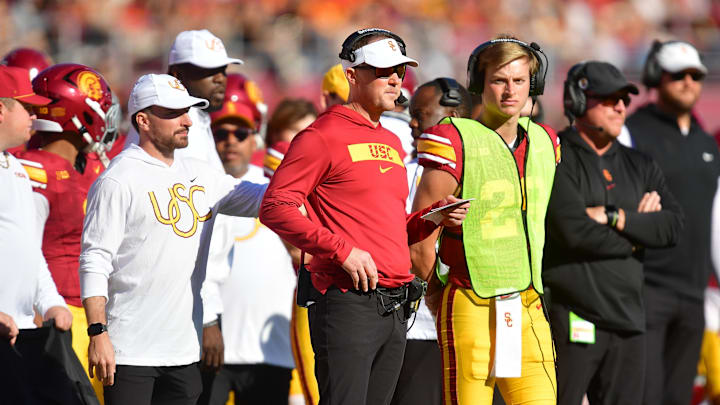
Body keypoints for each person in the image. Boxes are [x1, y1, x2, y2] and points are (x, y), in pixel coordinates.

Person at [259, 28, 468, 405]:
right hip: (346, 300)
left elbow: (389, 226)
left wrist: (431, 218)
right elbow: (275, 206)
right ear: (351, 76)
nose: (394, 79)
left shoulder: (390, 141)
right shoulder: (321, 136)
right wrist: (341, 250)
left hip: (394, 303)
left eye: (400, 72)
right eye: (383, 70)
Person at [78, 73, 267, 405]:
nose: (187, 120)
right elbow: (94, 260)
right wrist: (98, 333)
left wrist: (311, 172)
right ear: (143, 121)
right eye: (174, 112)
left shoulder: (201, 173)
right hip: (130, 351)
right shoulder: (118, 179)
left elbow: (261, 200)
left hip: (183, 351)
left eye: (188, 111)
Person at [410, 36, 560, 404]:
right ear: (479, 83)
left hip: (527, 304)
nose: (510, 91)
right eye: (499, 80)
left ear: (533, 86)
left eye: (520, 81)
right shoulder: (454, 139)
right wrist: (436, 293)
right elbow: (418, 233)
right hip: (469, 301)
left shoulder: (545, 143)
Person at [543, 61, 683, 405]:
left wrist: (614, 216)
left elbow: (672, 227)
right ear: (577, 101)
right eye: (608, 98)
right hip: (571, 317)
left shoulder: (641, 164)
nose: (621, 106)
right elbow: (573, 232)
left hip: (629, 321)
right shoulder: (554, 156)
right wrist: (639, 233)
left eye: (624, 98)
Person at [624, 40, 720, 405]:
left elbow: (715, 218)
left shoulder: (703, 142)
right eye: (677, 75)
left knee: (679, 397)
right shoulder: (633, 132)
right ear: (656, 77)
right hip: (647, 289)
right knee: (645, 396)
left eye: (695, 75)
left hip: (693, 293)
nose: (688, 82)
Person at [13, 63, 115, 402]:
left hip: (96, 313)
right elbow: (26, 248)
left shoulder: (91, 166)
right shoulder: (35, 170)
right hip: (60, 314)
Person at [199, 82, 297, 405]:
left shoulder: (275, 183)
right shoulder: (194, 186)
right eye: (220, 133)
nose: (230, 142)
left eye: (240, 134)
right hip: (207, 346)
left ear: (256, 135)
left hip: (270, 351)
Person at [392, 77, 473, 405]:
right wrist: (442, 307)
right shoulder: (409, 170)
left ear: (452, 116)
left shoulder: (480, 162)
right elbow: (418, 249)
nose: (411, 122)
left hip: (470, 320)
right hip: (427, 325)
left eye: (421, 114)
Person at [0, 65, 70, 339]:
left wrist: (51, 302)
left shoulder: (15, 167)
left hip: (21, 328)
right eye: (27, 107)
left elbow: (30, 248)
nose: (34, 115)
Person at [125, 29, 243, 173]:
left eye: (223, 70)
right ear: (177, 74)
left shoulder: (195, 113)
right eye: (209, 71)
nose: (220, 79)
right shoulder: (172, 122)